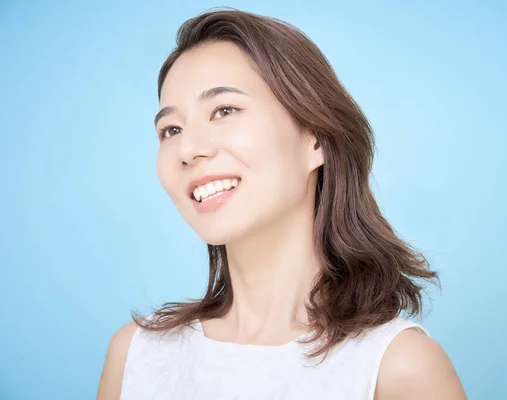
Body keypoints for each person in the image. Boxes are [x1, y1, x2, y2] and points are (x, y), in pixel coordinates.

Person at [96, 8, 466, 400]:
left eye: (224, 110)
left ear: (316, 139)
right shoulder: (135, 357)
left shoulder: (397, 368)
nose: (187, 149)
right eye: (170, 129)